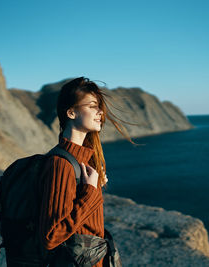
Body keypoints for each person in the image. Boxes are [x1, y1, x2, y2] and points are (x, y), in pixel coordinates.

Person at [38, 77, 137, 266]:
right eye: (92, 106)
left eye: (99, 106)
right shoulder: (61, 164)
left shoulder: (82, 160)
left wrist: (93, 186)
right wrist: (91, 192)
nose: (100, 112)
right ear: (71, 112)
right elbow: (51, 237)